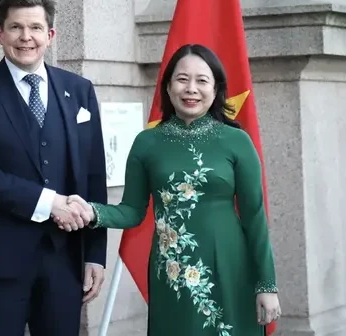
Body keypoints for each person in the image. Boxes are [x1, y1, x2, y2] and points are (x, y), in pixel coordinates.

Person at [57, 44, 281, 335]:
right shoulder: (146, 143)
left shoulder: (237, 141)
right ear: (168, 86)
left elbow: (255, 218)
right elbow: (132, 211)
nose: (191, 89)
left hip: (231, 267)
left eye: (202, 80)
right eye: (182, 79)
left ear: (216, 89)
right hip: (172, 271)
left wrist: (266, 285)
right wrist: (92, 212)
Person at [0, 0, 107, 336]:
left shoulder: (79, 90)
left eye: (35, 28)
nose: (26, 37)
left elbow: (93, 174)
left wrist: (95, 254)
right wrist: (50, 202)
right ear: (0, 33)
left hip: (65, 257)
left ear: (50, 35)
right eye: (16, 27)